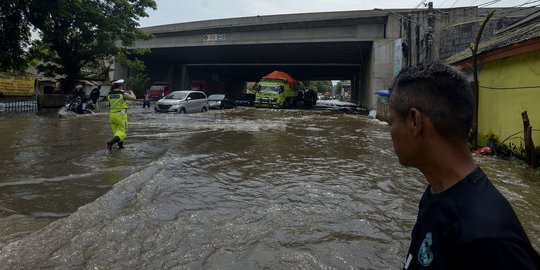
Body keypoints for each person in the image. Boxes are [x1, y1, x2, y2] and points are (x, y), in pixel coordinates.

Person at [388, 61, 540, 269]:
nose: (391, 132)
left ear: (415, 121)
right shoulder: (435, 194)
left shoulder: (488, 239)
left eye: (391, 121)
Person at [106, 79, 136, 152]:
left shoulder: (109, 94)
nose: (122, 87)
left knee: (117, 132)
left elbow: (109, 103)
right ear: (120, 86)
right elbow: (134, 98)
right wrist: (131, 92)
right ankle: (111, 142)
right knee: (122, 132)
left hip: (112, 115)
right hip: (120, 115)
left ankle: (120, 146)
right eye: (122, 86)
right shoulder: (123, 94)